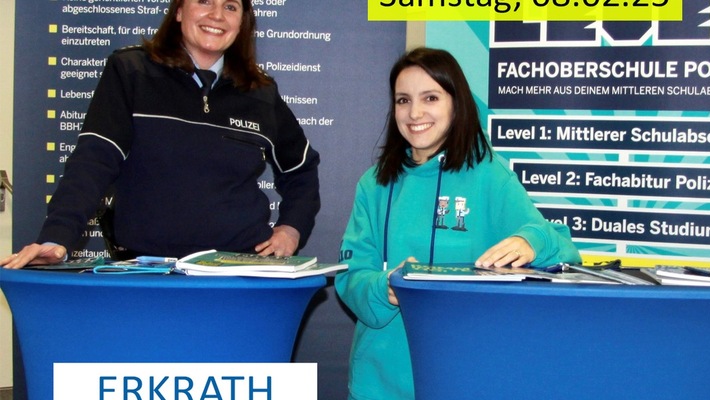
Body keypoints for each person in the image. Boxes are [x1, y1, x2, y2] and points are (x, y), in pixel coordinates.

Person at [334, 47, 582, 400]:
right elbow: (350, 275)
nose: (415, 112)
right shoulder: (373, 184)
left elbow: (562, 246)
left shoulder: (488, 173)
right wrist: (383, 288)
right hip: (381, 380)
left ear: (456, 103)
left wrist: (530, 241)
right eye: (403, 100)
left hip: (465, 373)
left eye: (430, 97)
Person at [1, 0, 320, 269]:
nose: (217, 15)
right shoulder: (130, 71)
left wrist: (291, 229)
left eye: (231, 6)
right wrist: (57, 238)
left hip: (236, 272)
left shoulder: (260, 93)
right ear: (179, 11)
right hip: (147, 271)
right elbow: (93, 161)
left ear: (242, 23)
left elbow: (301, 170)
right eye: (204, 1)